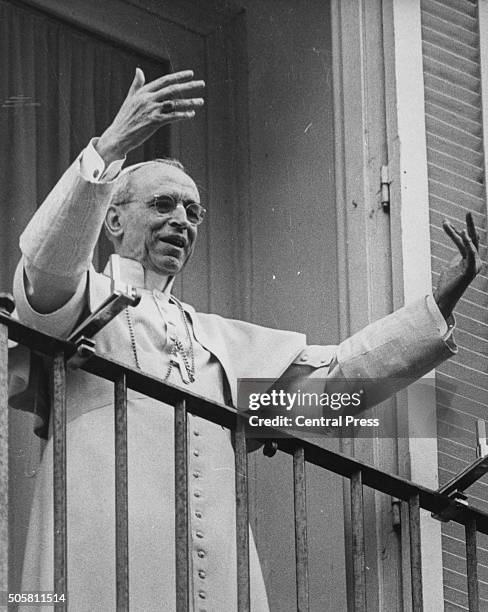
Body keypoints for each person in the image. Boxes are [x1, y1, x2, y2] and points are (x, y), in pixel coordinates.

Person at [12, 68, 482, 611]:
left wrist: (436, 308)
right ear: (112, 220)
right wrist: (110, 146)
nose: (181, 221)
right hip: (95, 540)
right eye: (162, 205)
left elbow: (331, 389)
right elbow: (44, 273)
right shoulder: (80, 294)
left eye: (193, 211)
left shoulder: (218, 339)